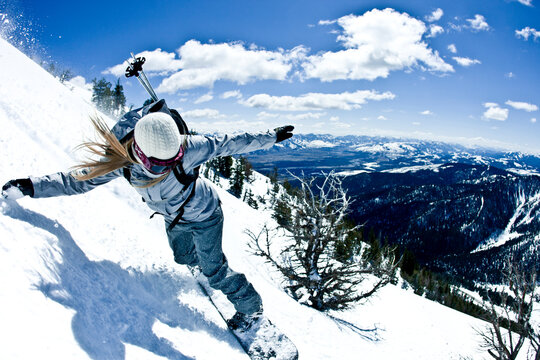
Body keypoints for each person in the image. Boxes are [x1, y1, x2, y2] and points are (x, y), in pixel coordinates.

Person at [2, 112, 294, 330]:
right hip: (174, 217)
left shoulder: (190, 148)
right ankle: (201, 263)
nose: (166, 167)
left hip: (205, 214)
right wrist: (33, 186)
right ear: (139, 152)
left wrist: (272, 136)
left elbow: (232, 142)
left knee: (214, 270)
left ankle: (250, 308)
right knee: (183, 258)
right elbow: (77, 181)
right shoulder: (123, 162)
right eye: (157, 163)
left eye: (174, 158)